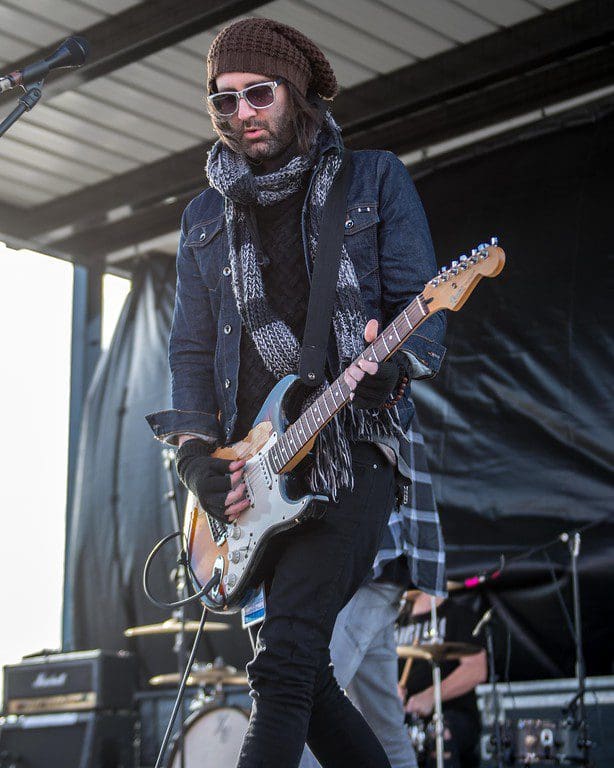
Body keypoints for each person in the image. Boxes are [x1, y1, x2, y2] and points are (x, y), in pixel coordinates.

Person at [147, 17, 445, 768]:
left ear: (297, 93)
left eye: (258, 93)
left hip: (350, 457)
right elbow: (190, 351)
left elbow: (425, 319)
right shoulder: (204, 216)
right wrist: (195, 458)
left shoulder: (372, 180)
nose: (241, 112)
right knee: (307, 684)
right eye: (224, 101)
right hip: (256, 479)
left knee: (280, 672)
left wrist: (392, 367)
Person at [299, 413, 447, 768]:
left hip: (366, 566)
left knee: (304, 707)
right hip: (372, 567)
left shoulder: (366, 390)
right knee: (385, 728)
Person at [397, 592, 488, 768]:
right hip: (404, 716)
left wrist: (431, 696)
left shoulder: (458, 614)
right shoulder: (396, 620)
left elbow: (477, 670)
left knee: (441, 735)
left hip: (452, 714)